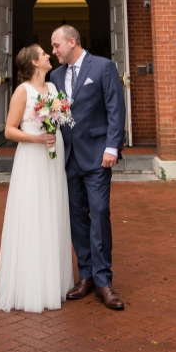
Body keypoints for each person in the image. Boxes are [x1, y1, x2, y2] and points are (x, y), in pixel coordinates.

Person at [48, 24, 127, 311]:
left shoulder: (103, 67)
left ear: (72, 42)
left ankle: (104, 281)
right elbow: (54, 115)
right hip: (68, 158)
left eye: (56, 45)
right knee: (77, 217)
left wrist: (111, 147)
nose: (53, 51)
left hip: (97, 156)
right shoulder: (55, 76)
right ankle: (86, 276)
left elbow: (115, 108)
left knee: (100, 212)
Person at [0, 43, 72, 312]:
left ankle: (54, 282)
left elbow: (61, 118)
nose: (49, 55)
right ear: (35, 63)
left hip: (53, 154)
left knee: (53, 212)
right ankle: (31, 285)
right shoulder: (21, 91)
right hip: (33, 157)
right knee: (34, 213)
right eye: (43, 54)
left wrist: (57, 118)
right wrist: (37, 138)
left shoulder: (52, 89)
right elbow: (10, 131)